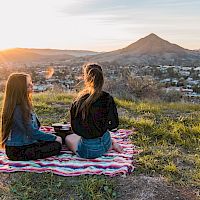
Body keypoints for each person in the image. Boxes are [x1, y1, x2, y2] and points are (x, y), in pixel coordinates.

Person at [65, 63, 122, 159]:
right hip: (106, 142)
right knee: (93, 138)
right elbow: (114, 124)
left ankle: (106, 146)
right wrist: (100, 127)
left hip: (90, 150)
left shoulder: (79, 101)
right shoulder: (108, 98)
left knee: (68, 138)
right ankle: (112, 144)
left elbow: (76, 129)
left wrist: (89, 131)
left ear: (86, 78)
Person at [1, 73, 62, 161]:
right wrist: (54, 138)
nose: (32, 86)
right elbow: (32, 132)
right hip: (18, 151)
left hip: (26, 143)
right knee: (56, 145)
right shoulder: (18, 109)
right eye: (28, 85)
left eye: (31, 83)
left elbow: (35, 127)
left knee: (59, 136)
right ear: (20, 89)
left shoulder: (23, 104)